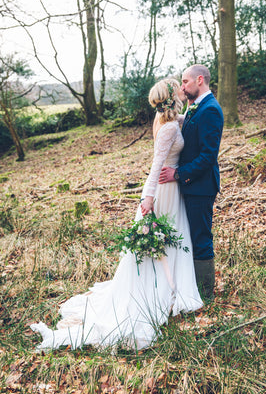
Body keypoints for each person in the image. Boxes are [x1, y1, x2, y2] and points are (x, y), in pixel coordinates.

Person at [30, 78, 203, 351]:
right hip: (163, 190)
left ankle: (170, 288)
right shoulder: (168, 127)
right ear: (171, 97)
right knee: (168, 240)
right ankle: (164, 291)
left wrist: (191, 113)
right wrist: (148, 198)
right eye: (177, 88)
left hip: (170, 188)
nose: (182, 90)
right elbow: (157, 163)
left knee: (169, 241)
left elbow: (183, 120)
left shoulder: (166, 121)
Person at [159, 65, 224, 299]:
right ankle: (191, 288)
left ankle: (206, 295)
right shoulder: (196, 107)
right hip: (190, 184)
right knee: (192, 235)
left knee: (201, 237)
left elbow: (208, 156)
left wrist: (177, 174)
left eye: (185, 82)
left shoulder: (211, 110)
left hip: (201, 186)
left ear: (199, 80)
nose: (183, 86)